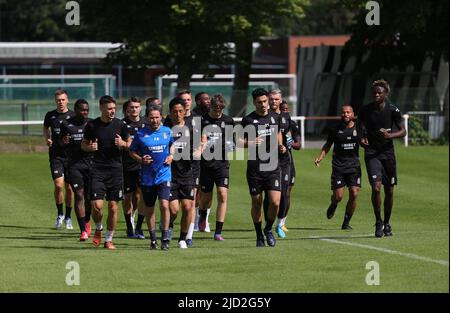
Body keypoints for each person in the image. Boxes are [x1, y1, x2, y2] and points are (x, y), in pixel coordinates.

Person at [357, 79, 406, 237]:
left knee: (389, 190)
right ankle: (378, 221)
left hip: (387, 154)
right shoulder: (366, 110)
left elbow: (403, 131)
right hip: (372, 153)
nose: (377, 95)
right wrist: (361, 138)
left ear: (386, 94)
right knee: (376, 187)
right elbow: (359, 126)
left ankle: (387, 223)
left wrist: (389, 135)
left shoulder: (393, 110)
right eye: (375, 93)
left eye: (380, 92)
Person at [81, 95, 131, 250]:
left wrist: (123, 144)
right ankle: (98, 227)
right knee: (96, 206)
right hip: (97, 169)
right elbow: (83, 144)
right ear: (101, 108)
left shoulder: (121, 125)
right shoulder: (91, 125)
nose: (112, 111)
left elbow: (130, 143)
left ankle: (108, 239)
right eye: (109, 109)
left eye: (114, 109)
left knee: (113, 207)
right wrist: (89, 148)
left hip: (116, 170)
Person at [239, 88, 287, 247]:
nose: (264, 105)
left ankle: (268, 229)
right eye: (259, 102)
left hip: (273, 166)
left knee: (274, 202)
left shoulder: (275, 117)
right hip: (255, 169)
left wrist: (281, 145)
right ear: (254, 103)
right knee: (257, 203)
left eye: (265, 101)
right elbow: (238, 141)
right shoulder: (247, 120)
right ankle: (259, 234)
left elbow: (279, 132)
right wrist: (250, 143)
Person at [130, 104, 174, 250]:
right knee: (150, 209)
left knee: (164, 204)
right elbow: (132, 151)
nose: (154, 120)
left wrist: (171, 155)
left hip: (164, 175)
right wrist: (141, 160)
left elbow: (172, 145)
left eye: (157, 117)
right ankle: (153, 239)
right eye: (151, 118)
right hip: (147, 177)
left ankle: (165, 237)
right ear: (147, 118)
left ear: (161, 117)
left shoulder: (167, 131)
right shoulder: (141, 134)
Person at [314, 105, 362, 230]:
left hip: (354, 167)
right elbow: (327, 145)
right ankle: (334, 204)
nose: (346, 114)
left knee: (354, 194)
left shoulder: (359, 128)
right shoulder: (335, 129)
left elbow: (365, 142)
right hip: (339, 167)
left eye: (348, 112)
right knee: (338, 196)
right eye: (343, 112)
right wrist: (320, 157)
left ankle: (346, 222)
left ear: (352, 114)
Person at [198, 94, 235, 241]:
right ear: (210, 106)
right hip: (206, 165)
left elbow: (232, 141)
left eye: (220, 109)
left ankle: (218, 232)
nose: (218, 111)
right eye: (215, 108)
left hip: (222, 164)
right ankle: (202, 213)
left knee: (222, 194)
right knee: (206, 197)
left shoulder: (228, 120)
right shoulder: (202, 120)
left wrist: (231, 146)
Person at [164, 97, 198, 248]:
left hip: (187, 173)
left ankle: (183, 239)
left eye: (180, 111)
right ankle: (169, 224)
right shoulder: (165, 129)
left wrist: (198, 151)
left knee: (188, 207)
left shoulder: (191, 128)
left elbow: (198, 146)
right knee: (174, 209)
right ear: (170, 113)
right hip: (169, 174)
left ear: (185, 112)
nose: (177, 114)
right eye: (174, 111)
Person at [262, 89, 293, 239]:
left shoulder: (286, 117)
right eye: (271, 99)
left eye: (276, 99)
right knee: (270, 196)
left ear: (280, 101)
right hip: (268, 159)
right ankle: (268, 223)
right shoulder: (265, 117)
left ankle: (280, 224)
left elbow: (288, 134)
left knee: (285, 191)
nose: (274, 101)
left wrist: (288, 141)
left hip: (284, 160)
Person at [60, 99, 93, 241]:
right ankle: (83, 230)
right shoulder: (66, 124)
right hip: (74, 165)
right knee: (79, 195)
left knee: (89, 198)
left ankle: (87, 221)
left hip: (91, 165)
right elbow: (60, 142)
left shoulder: (91, 124)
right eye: (82, 110)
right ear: (76, 109)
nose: (85, 112)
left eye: (87, 110)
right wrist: (64, 141)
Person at [43, 89, 75, 230]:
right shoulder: (50, 115)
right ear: (55, 101)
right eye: (58, 100)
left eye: (63, 99)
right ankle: (60, 214)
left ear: (67, 100)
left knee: (69, 188)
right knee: (58, 185)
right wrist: (47, 138)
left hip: (71, 157)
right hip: (56, 155)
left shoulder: (74, 115)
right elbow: (45, 128)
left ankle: (68, 217)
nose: (60, 102)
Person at [121, 97, 148, 239]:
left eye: (137, 107)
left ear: (140, 108)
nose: (134, 110)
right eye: (131, 107)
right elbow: (119, 144)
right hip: (126, 166)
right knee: (127, 198)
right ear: (127, 109)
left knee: (141, 196)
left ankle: (138, 227)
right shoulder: (121, 124)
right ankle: (129, 227)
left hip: (143, 166)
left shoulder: (146, 123)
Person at [279, 100, 301, 232]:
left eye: (287, 109)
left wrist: (290, 142)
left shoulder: (292, 124)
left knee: (287, 193)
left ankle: (282, 222)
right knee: (276, 194)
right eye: (283, 109)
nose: (285, 111)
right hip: (274, 162)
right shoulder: (273, 122)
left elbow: (298, 145)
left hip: (288, 163)